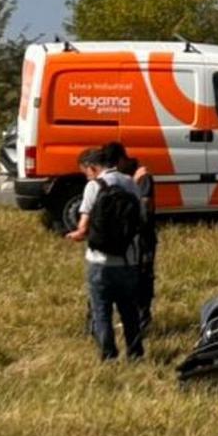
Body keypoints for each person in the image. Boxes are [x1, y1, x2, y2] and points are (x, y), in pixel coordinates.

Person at [66, 147, 146, 361]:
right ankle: (135, 353)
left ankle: (109, 355)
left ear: (93, 167)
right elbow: (140, 217)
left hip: (100, 261)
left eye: (87, 172)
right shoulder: (130, 183)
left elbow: (83, 228)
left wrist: (75, 235)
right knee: (129, 311)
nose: (87, 176)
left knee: (102, 311)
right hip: (128, 260)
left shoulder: (93, 186)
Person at [101, 142, 157, 331]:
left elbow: (145, 206)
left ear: (121, 160)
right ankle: (133, 316)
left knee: (143, 275)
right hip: (129, 237)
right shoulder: (127, 176)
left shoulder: (142, 176)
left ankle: (143, 319)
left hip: (143, 235)